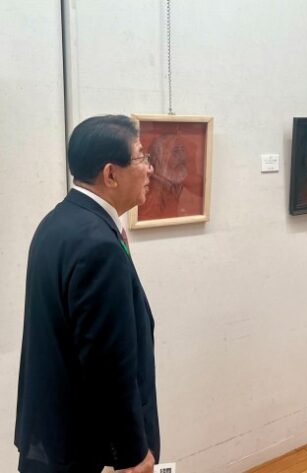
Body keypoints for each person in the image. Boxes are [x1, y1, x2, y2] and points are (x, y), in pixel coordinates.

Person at [15, 115, 160, 473]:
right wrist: (133, 453)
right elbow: (109, 364)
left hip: (52, 434)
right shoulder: (98, 244)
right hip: (79, 447)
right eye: (141, 157)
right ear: (111, 174)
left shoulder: (58, 222)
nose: (150, 168)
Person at [139, 133, 203, 220]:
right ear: (158, 158)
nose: (182, 156)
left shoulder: (174, 184)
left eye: (183, 150)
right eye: (175, 151)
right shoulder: (151, 194)